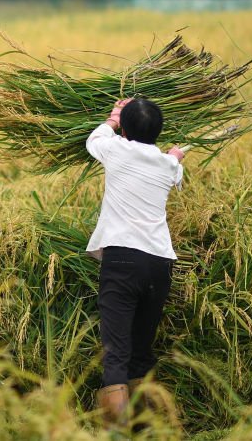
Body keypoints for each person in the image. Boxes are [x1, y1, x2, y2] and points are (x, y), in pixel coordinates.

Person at [85, 97, 185, 430]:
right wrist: (174, 155)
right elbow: (173, 166)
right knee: (141, 352)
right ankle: (143, 430)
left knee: (116, 353)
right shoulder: (169, 164)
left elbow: (94, 140)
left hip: (122, 259)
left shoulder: (115, 149)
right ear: (158, 131)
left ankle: (116, 434)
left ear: (125, 131)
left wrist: (112, 119)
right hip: (159, 262)